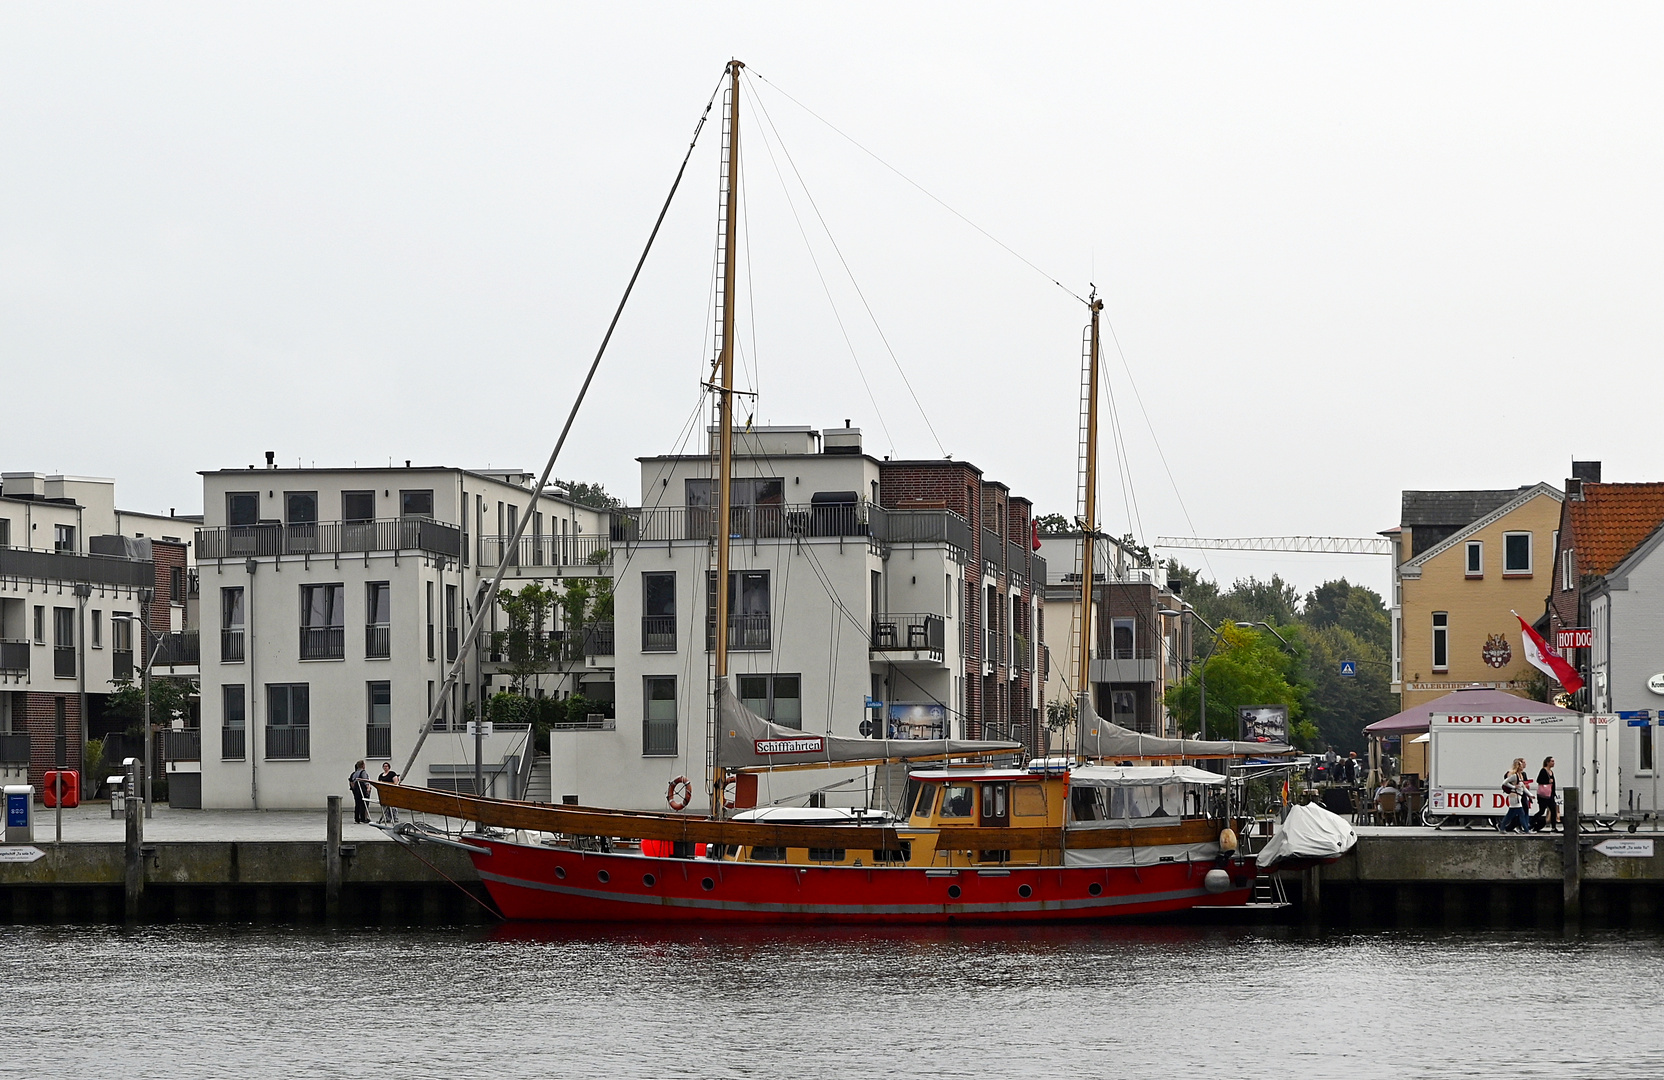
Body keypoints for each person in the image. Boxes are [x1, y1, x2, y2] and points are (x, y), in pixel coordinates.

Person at [1498, 757, 1532, 833]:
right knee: (1521, 813)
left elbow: (1523, 787)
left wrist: (1530, 794)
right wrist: (1514, 787)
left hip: (1518, 796)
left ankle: (1502, 827)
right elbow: (1504, 783)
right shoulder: (1514, 775)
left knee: (1510, 814)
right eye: (1521, 765)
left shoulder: (1521, 775)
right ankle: (1526, 830)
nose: (1523, 766)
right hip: (1514, 796)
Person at [1534, 756, 1559, 831]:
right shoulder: (1543, 771)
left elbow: (1553, 784)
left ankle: (1554, 827)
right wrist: (1547, 781)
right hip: (1543, 795)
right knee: (1542, 810)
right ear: (1547, 762)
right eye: (1552, 761)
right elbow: (1539, 780)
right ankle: (1531, 821)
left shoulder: (1551, 772)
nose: (1553, 763)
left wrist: (1554, 793)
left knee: (1553, 810)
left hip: (1550, 794)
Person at [348, 760, 372, 824]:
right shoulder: (363, 772)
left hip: (356, 790)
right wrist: (368, 788)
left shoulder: (354, 773)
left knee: (357, 804)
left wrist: (354, 789)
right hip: (362, 789)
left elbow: (352, 782)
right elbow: (365, 780)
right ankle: (363, 818)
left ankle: (357, 818)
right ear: (363, 765)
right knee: (363, 803)